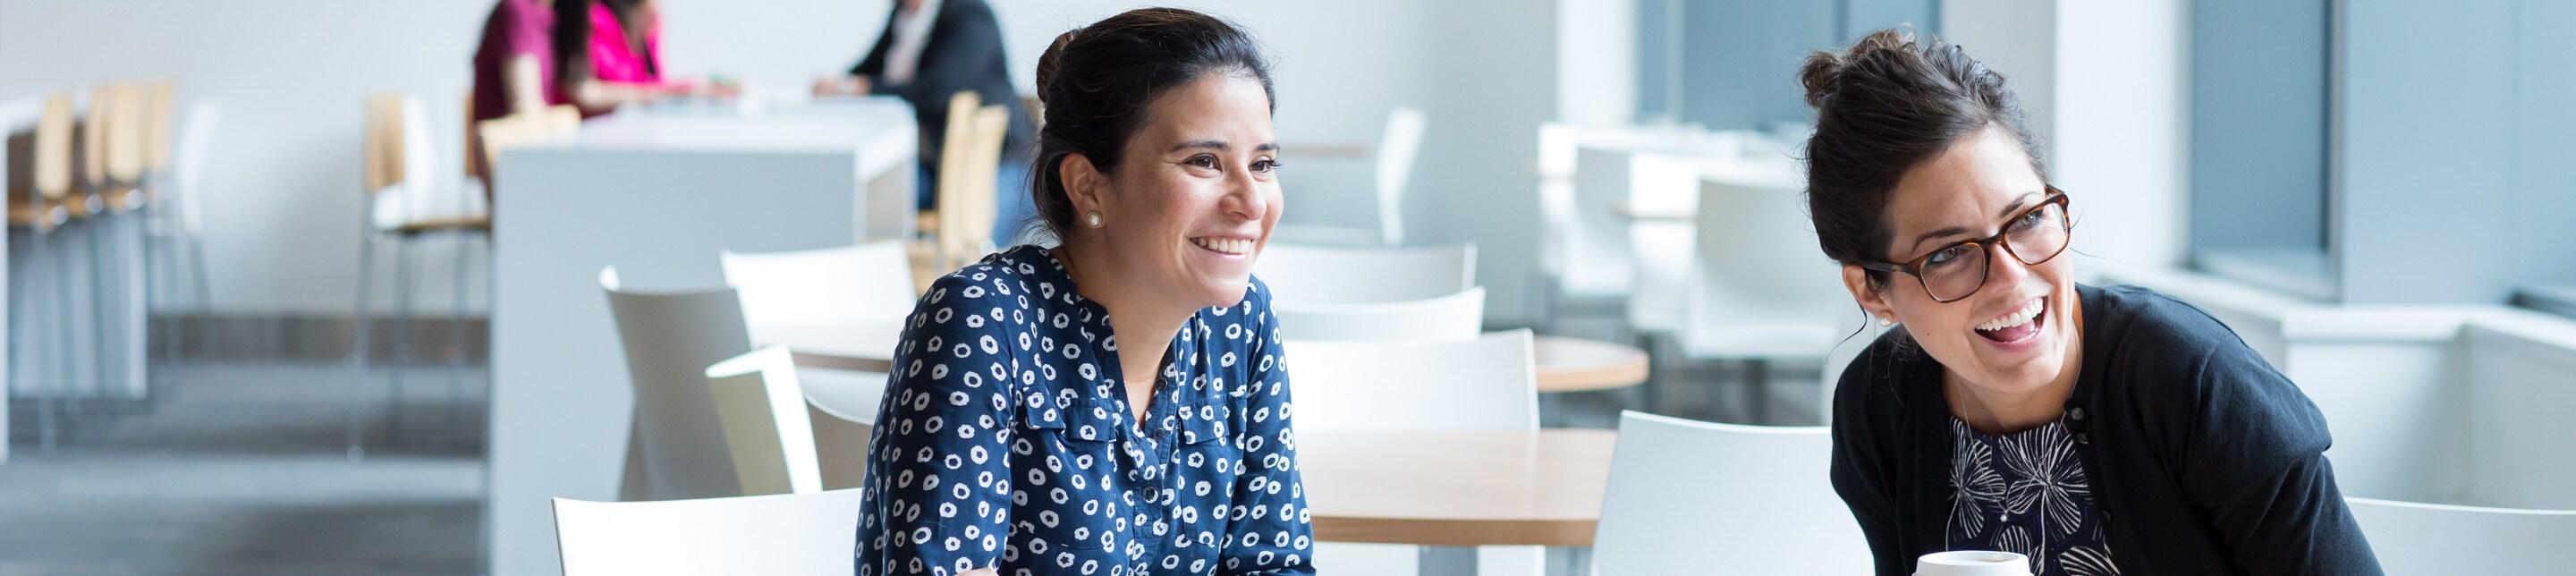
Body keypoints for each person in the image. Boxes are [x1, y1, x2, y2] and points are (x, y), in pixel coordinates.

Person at [1805, 28, 2381, 575]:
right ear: (1872, 291)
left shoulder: (2196, 385)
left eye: (2027, 219)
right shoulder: (1878, 410)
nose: (2011, 277)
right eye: (1948, 253)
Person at [852, 8, 1311, 576]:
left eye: (1263, 163)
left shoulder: (1241, 322)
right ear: (1088, 186)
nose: (1252, 201)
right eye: (1204, 161)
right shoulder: (983, 322)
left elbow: (1273, 563)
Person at [818, 0, 1037, 246]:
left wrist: (863, 88)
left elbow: (940, 90)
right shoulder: (904, 16)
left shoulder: (970, 15)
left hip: (997, 162)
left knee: (980, 244)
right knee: (862, 193)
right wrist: (844, 85)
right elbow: (867, 72)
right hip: (937, 161)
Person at [552, 0, 733, 116]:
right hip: (583, 143)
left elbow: (654, 82)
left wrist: (694, 88)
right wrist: (674, 92)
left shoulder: (647, 17)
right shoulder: (588, 13)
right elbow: (580, 92)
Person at [468, 0, 561, 179]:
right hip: (515, 169)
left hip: (535, 159)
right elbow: (525, 107)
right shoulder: (516, 12)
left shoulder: (546, 16)